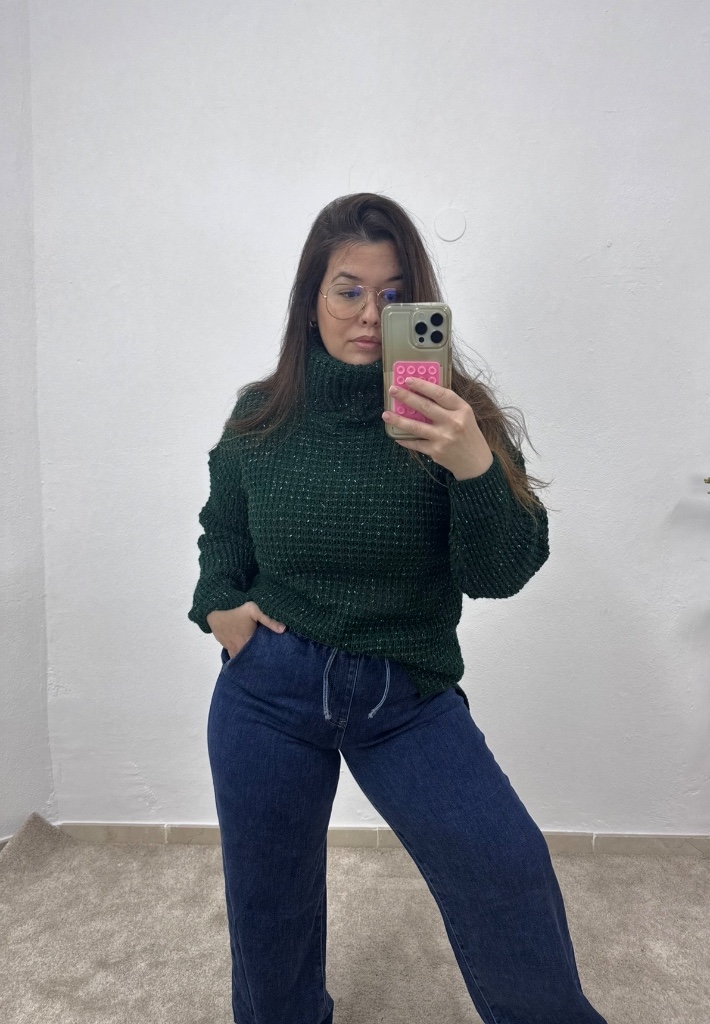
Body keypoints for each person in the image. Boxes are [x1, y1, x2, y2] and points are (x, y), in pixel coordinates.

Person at [188, 193, 608, 1024]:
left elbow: (501, 574)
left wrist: (473, 463)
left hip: (405, 696)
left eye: (393, 296)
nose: (367, 315)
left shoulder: (458, 414)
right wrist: (220, 607)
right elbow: (223, 531)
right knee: (269, 905)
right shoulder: (260, 413)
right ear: (311, 297)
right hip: (270, 689)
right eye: (347, 290)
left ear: (421, 307)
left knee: (506, 869)